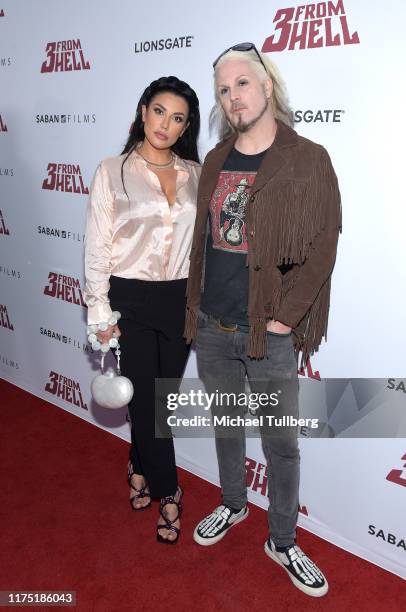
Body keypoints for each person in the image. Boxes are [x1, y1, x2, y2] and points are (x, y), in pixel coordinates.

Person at [184, 44, 341, 595]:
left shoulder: (308, 157)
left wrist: (286, 318)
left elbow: (324, 244)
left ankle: (282, 538)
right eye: (224, 90)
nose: (233, 98)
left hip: (267, 332)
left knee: (281, 443)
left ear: (267, 86)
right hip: (212, 325)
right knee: (227, 426)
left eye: (242, 84)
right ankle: (232, 504)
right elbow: (203, 242)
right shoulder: (216, 159)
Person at [84, 76, 201, 544]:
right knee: (151, 405)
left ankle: (137, 462)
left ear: (185, 126)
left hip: (181, 300)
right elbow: (97, 248)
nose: (165, 124)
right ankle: (170, 493)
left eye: (177, 118)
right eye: (159, 111)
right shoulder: (112, 170)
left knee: (160, 405)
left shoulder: (196, 173)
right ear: (142, 111)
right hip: (129, 299)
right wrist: (100, 314)